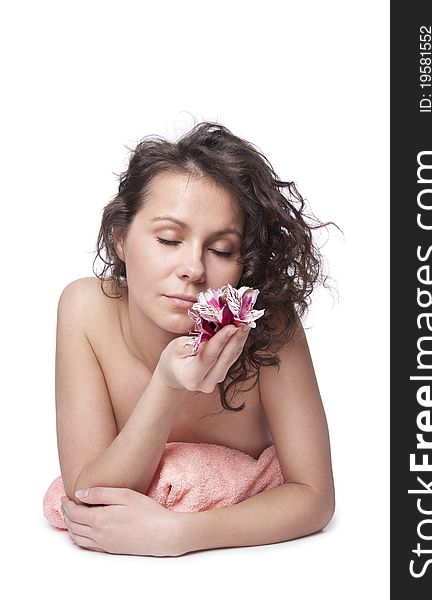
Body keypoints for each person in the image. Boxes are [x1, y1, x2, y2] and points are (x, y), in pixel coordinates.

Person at [56, 121, 335, 556]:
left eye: (221, 249)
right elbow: (89, 497)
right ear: (120, 238)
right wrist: (167, 384)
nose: (194, 269)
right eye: (169, 239)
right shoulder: (86, 310)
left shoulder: (271, 326)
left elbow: (315, 496)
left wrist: (179, 534)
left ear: (244, 262)